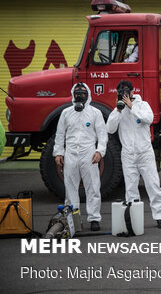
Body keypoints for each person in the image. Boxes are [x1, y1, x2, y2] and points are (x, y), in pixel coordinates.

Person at [106, 80, 161, 228]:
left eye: (127, 92)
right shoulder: (118, 111)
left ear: (133, 92)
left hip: (145, 152)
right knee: (131, 187)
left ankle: (160, 216)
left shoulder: (142, 105)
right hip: (128, 154)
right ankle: (134, 218)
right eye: (122, 93)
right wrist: (119, 110)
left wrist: (131, 106)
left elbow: (149, 119)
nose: (125, 95)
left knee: (153, 185)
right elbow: (109, 129)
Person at [53, 83, 107, 231]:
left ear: (88, 95)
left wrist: (99, 152)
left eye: (83, 93)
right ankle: (73, 220)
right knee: (70, 188)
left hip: (89, 154)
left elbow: (103, 135)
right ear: (73, 94)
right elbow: (60, 135)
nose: (80, 96)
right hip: (70, 154)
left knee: (93, 187)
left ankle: (94, 218)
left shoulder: (95, 113)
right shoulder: (66, 113)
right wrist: (58, 153)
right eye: (77, 93)